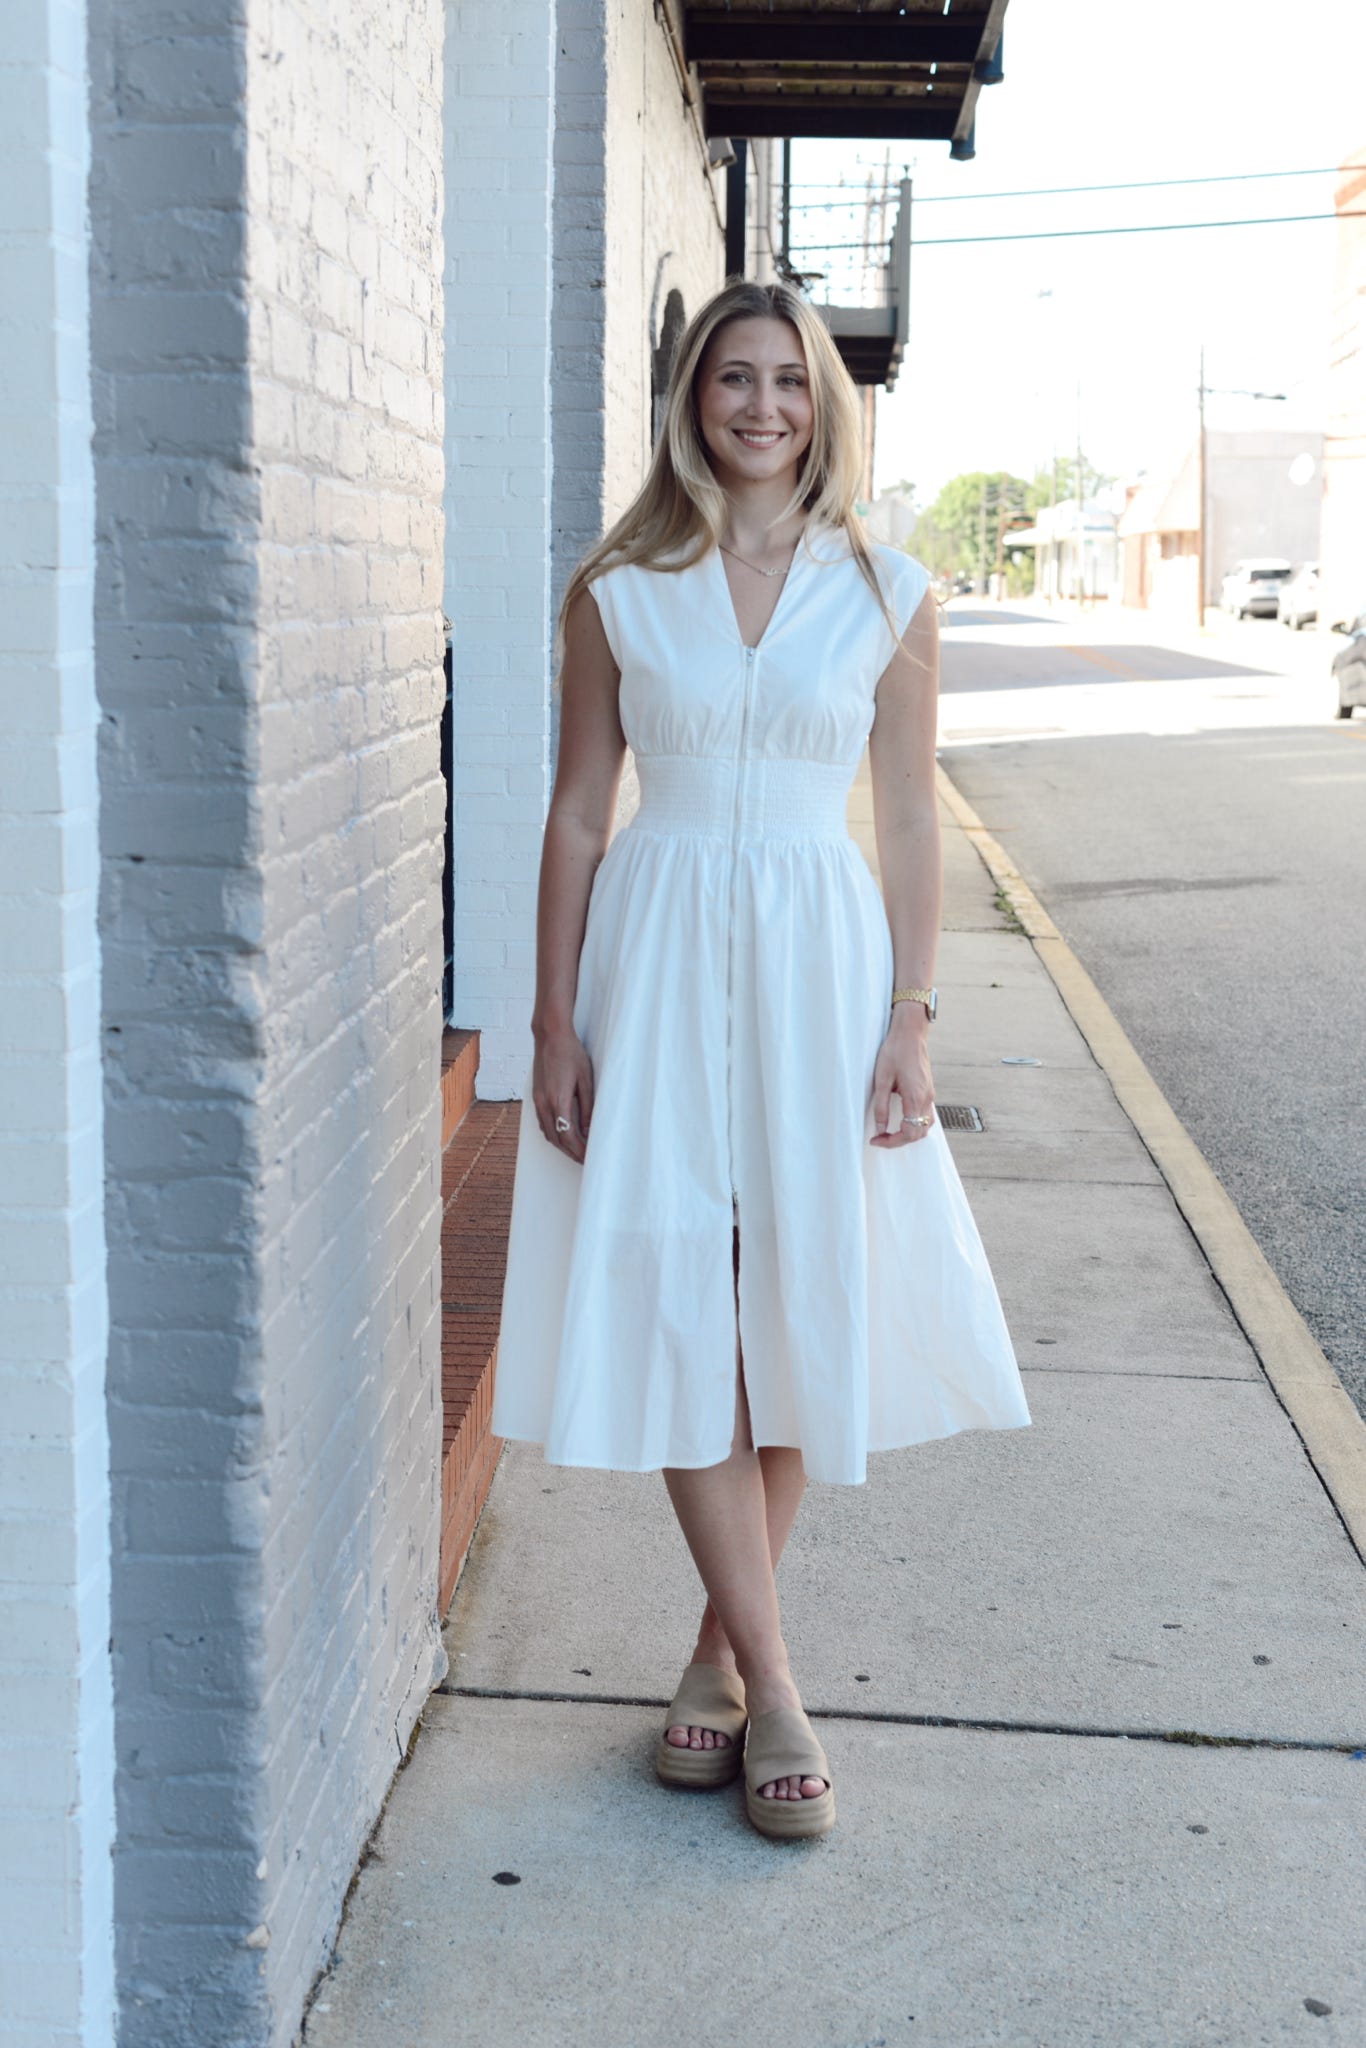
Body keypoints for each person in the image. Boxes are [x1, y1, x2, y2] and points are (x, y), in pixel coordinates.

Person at [491, 278, 1030, 1841]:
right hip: (649, 964)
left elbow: (913, 817)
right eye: (732, 378)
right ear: (689, 398)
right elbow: (582, 810)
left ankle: (722, 1657)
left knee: (796, 1291)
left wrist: (911, 1011)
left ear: (824, 405)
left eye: (787, 381)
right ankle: (777, 1679)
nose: (760, 406)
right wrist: (549, 1017)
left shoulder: (886, 588)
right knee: (684, 1304)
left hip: (817, 957)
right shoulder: (619, 585)